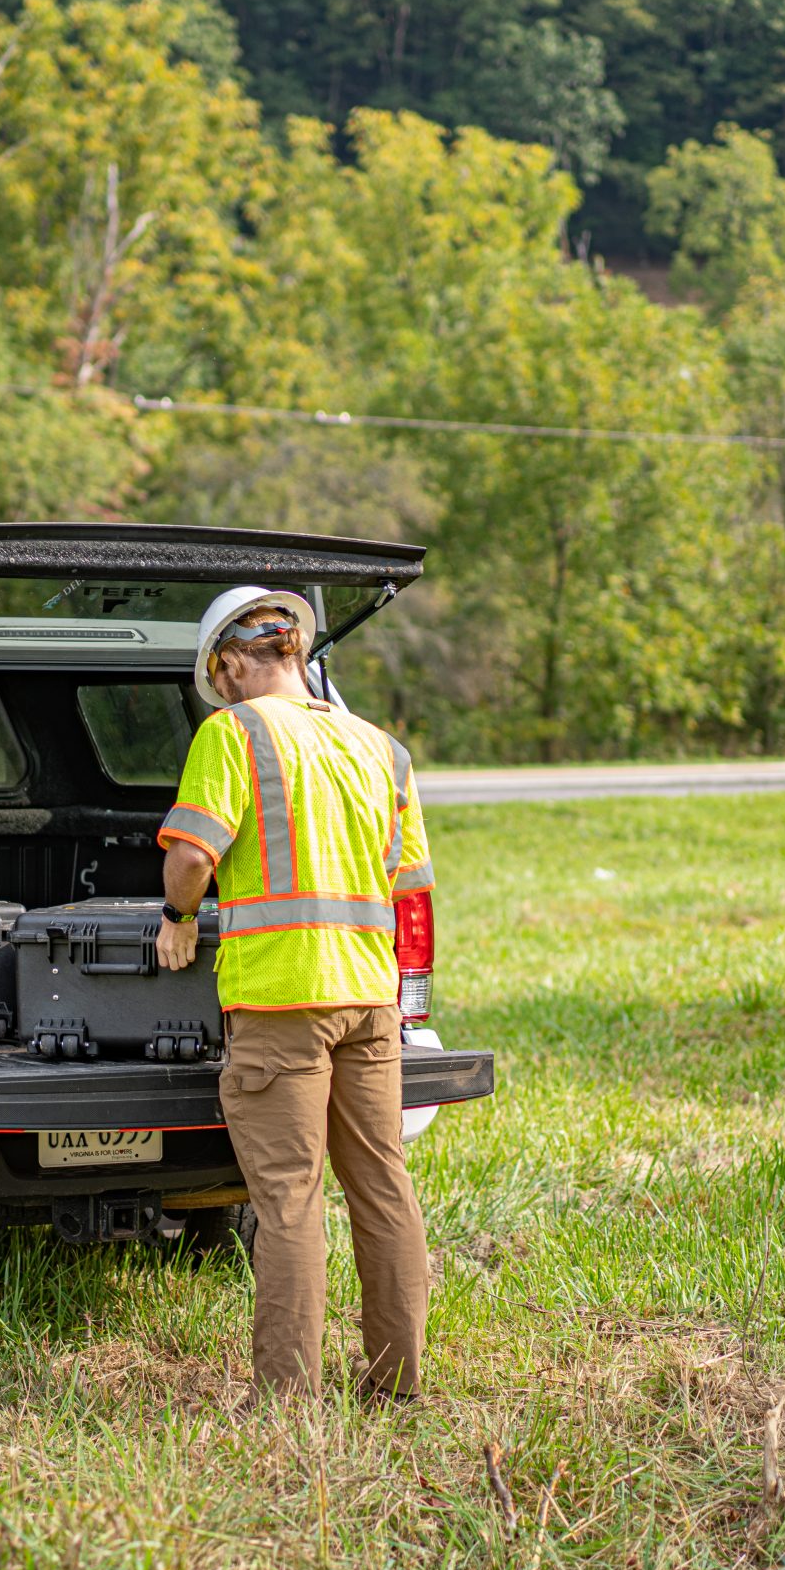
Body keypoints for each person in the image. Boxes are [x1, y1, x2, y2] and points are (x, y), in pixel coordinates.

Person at [153, 586, 436, 1401]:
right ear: (299, 654)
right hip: (371, 1002)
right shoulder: (382, 748)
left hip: (282, 1004)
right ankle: (398, 1387)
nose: (226, 689)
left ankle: (286, 1402)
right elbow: (405, 886)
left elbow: (192, 858)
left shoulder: (233, 734)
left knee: (285, 1200)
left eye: (223, 678)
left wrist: (178, 918)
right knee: (383, 1187)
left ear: (233, 663)